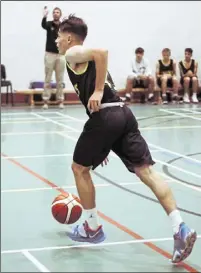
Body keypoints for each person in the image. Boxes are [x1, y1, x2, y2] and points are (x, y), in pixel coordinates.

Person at [56, 14, 197, 263]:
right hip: (123, 114)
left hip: (106, 117)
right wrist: (105, 143)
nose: (56, 41)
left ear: (68, 37)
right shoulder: (79, 57)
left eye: (58, 36)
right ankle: (180, 227)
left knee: (79, 169)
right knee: (147, 172)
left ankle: (91, 228)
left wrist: (98, 91)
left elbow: (102, 51)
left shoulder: (72, 53)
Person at [41, 6, 66, 109]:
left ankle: (60, 100)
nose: (56, 13)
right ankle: (46, 101)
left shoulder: (63, 27)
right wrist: (44, 16)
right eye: (54, 12)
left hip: (60, 55)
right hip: (49, 54)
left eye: (57, 12)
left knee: (60, 80)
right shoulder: (48, 24)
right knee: (48, 78)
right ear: (53, 14)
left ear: (60, 14)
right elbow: (43, 25)